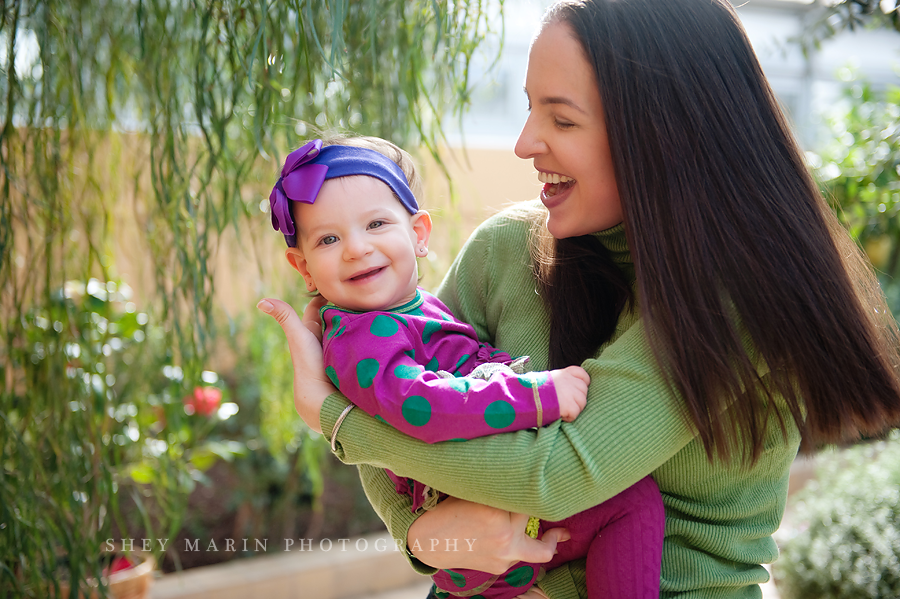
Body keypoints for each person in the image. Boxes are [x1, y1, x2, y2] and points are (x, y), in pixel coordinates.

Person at [257, 1, 900, 597]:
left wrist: (337, 420)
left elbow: (559, 475)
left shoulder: (746, 291)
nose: (525, 142)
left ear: (661, 134)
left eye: (562, 118)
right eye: (530, 108)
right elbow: (394, 413)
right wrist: (426, 538)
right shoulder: (504, 248)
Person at [265, 135, 664, 598]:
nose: (356, 248)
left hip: (485, 519)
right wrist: (535, 394)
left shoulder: (412, 310)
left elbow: (463, 368)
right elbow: (421, 406)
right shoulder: (360, 337)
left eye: (376, 223)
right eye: (329, 239)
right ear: (304, 267)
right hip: (476, 521)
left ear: (418, 234)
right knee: (631, 502)